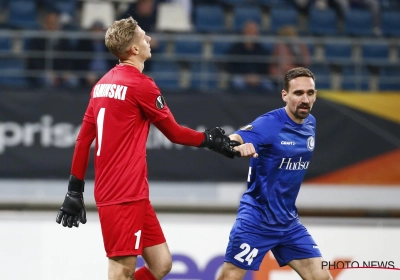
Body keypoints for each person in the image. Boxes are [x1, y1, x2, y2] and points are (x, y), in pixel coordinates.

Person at [55, 16, 241, 280]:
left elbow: (83, 140)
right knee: (122, 270)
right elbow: (174, 133)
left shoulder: (101, 85)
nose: (149, 39)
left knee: (161, 264)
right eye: (143, 36)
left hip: (133, 192)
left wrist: (75, 190)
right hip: (122, 193)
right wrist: (210, 140)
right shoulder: (141, 85)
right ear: (133, 49)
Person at [218, 67, 333, 280]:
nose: (305, 99)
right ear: (285, 95)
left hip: (288, 222)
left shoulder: (310, 123)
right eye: (298, 93)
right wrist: (236, 147)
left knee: (322, 277)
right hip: (257, 219)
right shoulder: (271, 123)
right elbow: (232, 139)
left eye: (310, 93)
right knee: (230, 276)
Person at [26, 11, 77, 87]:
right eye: (50, 23)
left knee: (73, 80)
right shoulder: (37, 40)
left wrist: (65, 72)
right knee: (47, 80)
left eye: (54, 23)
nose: (52, 26)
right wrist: (48, 72)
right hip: (42, 71)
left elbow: (68, 58)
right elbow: (34, 60)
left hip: (60, 72)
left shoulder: (64, 40)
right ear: (45, 24)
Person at [226, 20, 274, 93]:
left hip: (258, 77)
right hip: (241, 76)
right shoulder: (236, 48)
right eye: (249, 32)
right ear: (244, 33)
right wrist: (246, 76)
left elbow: (265, 67)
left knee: (268, 84)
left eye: (253, 32)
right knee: (237, 82)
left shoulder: (261, 50)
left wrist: (257, 77)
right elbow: (231, 67)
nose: (251, 35)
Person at [74, 20, 116, 87]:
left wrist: (110, 74)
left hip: (107, 74)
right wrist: (87, 73)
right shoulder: (84, 44)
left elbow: (114, 62)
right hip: (90, 75)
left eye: (99, 30)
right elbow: (80, 62)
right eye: (95, 30)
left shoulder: (110, 45)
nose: (97, 33)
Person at [269, 25, 311, 90]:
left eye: (291, 35)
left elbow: (306, 62)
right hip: (282, 75)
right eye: (287, 35)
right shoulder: (279, 46)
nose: (290, 37)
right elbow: (274, 62)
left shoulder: (300, 46)